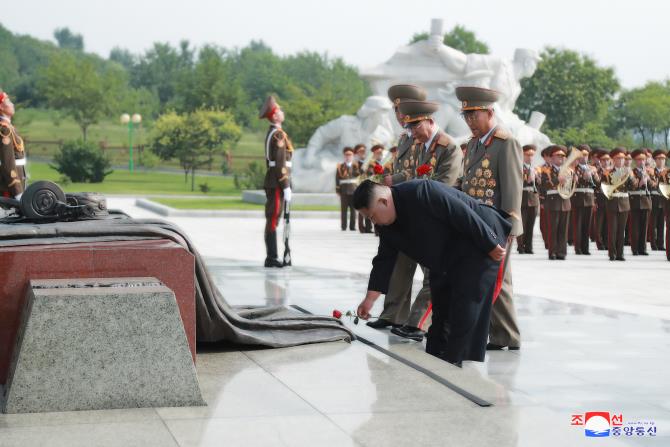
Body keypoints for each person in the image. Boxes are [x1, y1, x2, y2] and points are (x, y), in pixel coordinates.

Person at [354, 179, 511, 366]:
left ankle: (453, 361)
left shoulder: (421, 191)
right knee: (441, 304)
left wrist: (490, 242)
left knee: (465, 302)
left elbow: (461, 213)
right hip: (448, 252)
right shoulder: (386, 224)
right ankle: (437, 357)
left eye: (372, 216)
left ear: (383, 201)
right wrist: (370, 299)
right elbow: (384, 259)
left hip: (477, 238)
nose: (373, 222)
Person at [456, 86, 522, 352]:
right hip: (476, 220)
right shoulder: (473, 144)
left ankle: (504, 335)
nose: (471, 122)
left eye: (475, 115)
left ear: (489, 112)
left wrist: (511, 225)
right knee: (497, 280)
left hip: (497, 223)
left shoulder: (506, 144)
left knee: (495, 278)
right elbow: (468, 181)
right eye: (467, 116)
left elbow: (513, 187)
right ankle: (504, 334)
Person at [367, 84, 427, 331]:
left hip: (420, 210)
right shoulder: (404, 139)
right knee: (400, 266)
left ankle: (419, 321)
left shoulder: (427, 138)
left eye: (403, 110)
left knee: (431, 270)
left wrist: (397, 179)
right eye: (397, 110)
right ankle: (393, 315)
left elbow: (420, 172)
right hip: (400, 208)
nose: (400, 115)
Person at [259, 96, 293, 268]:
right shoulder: (278, 134)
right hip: (277, 182)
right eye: (279, 110)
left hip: (274, 181)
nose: (282, 112)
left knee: (273, 218)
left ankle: (272, 256)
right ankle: (271, 257)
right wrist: (285, 184)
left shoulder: (276, 132)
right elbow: (280, 163)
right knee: (273, 218)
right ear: (274, 116)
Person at [538, 145, 572, 260]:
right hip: (552, 202)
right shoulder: (546, 170)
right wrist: (558, 180)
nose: (561, 159)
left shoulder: (568, 170)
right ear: (552, 158)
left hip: (565, 202)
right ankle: (552, 252)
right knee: (553, 229)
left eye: (563, 156)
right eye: (558, 156)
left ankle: (562, 252)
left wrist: (573, 181)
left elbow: (571, 188)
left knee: (563, 229)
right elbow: (544, 184)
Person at [603, 148, 634, 261]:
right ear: (613, 159)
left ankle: (620, 254)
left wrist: (631, 177)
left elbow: (633, 186)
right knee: (613, 230)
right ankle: (612, 253)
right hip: (612, 202)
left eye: (622, 158)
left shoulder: (628, 172)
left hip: (624, 202)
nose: (621, 161)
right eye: (618, 158)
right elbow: (604, 187)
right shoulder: (607, 172)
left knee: (622, 230)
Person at [571, 144, 598, 255]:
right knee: (578, 225)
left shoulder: (592, 168)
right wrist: (583, 177)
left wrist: (594, 176)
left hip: (589, 199)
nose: (584, 157)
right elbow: (573, 183)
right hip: (578, 198)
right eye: (581, 155)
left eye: (586, 155)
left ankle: (585, 248)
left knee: (587, 225)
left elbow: (597, 184)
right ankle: (578, 248)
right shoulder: (573, 168)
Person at [0, 90, 26, 200]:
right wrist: (17, 191)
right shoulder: (5, 129)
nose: (12, 104)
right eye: (8, 102)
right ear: (1, 107)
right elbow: (8, 163)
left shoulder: (9, 127)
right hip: (10, 188)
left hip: (19, 181)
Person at [628, 149, 652, 256]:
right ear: (635, 161)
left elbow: (654, 185)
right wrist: (639, 183)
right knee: (635, 227)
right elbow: (630, 185)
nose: (641, 162)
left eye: (643, 160)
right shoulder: (631, 172)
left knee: (644, 227)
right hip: (635, 201)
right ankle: (635, 249)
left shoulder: (648, 171)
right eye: (639, 160)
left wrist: (648, 181)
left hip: (646, 202)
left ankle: (643, 248)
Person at [517, 144, 539, 254]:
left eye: (532, 155)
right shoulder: (518, 167)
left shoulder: (535, 169)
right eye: (528, 154)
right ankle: (521, 246)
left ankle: (529, 247)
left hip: (533, 199)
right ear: (523, 154)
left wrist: (536, 177)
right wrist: (526, 177)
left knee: (531, 225)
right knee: (522, 225)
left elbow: (540, 184)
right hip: (522, 198)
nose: (530, 157)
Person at [335, 147, 361, 231]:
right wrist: (338, 190)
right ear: (344, 156)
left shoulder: (356, 165)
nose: (348, 157)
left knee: (353, 210)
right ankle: (343, 226)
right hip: (344, 190)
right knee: (344, 210)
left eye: (350, 155)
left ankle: (352, 227)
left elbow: (359, 178)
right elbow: (337, 179)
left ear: (353, 156)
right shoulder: (340, 166)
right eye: (346, 155)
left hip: (353, 190)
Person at [649, 150, 667, 251]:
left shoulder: (667, 171)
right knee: (653, 223)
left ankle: (661, 244)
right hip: (654, 198)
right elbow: (651, 184)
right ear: (655, 160)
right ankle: (653, 243)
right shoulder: (651, 171)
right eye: (659, 159)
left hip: (664, 199)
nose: (661, 161)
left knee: (661, 223)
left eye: (663, 159)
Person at [594, 150, 611, 250]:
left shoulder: (612, 171)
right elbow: (594, 187)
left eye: (607, 160)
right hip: (599, 198)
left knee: (608, 223)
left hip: (609, 199)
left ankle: (606, 242)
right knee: (599, 223)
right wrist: (594, 201)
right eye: (603, 160)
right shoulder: (596, 171)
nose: (605, 162)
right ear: (600, 161)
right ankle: (600, 243)